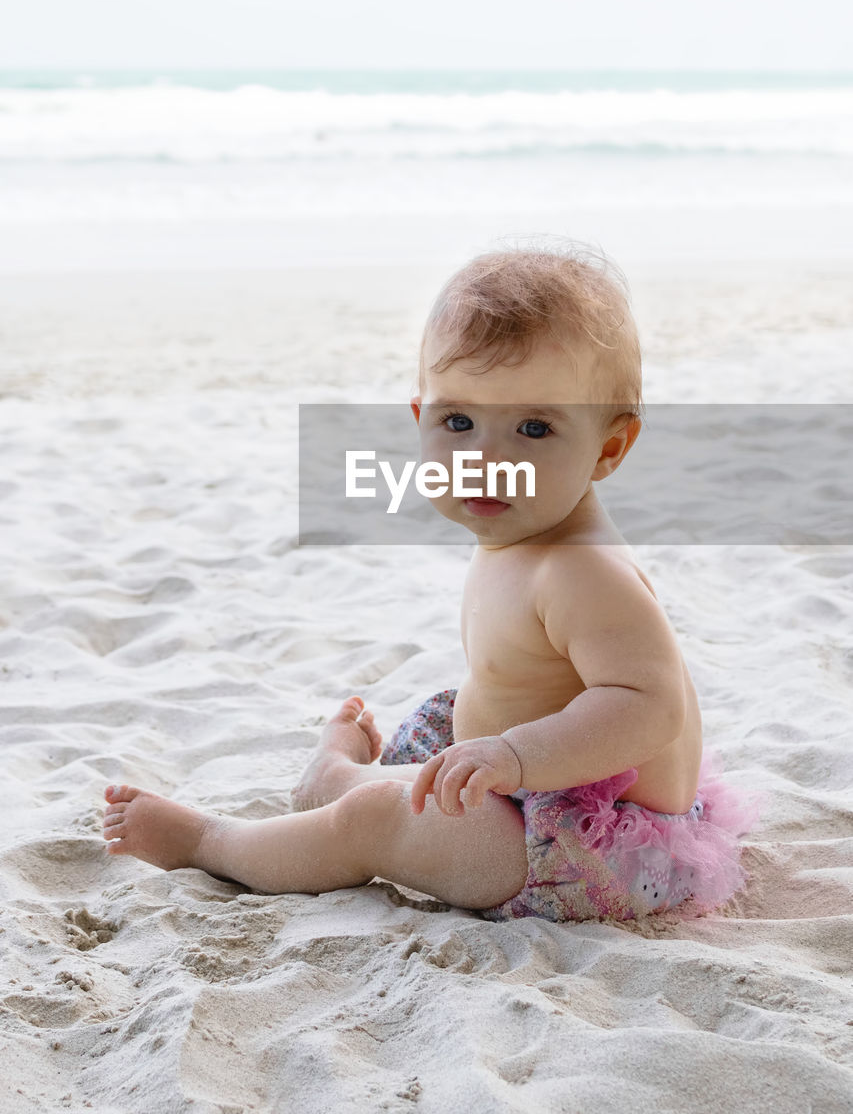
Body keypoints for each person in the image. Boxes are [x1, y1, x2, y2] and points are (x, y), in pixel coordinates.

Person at [102, 242, 763, 922]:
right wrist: (504, 753)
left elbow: (647, 706)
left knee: (376, 818)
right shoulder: (523, 531)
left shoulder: (581, 570)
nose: (486, 457)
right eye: (458, 422)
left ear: (607, 448)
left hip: (593, 851)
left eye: (533, 427)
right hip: (533, 796)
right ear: (420, 419)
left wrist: (514, 754)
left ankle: (216, 843)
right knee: (447, 723)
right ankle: (334, 777)